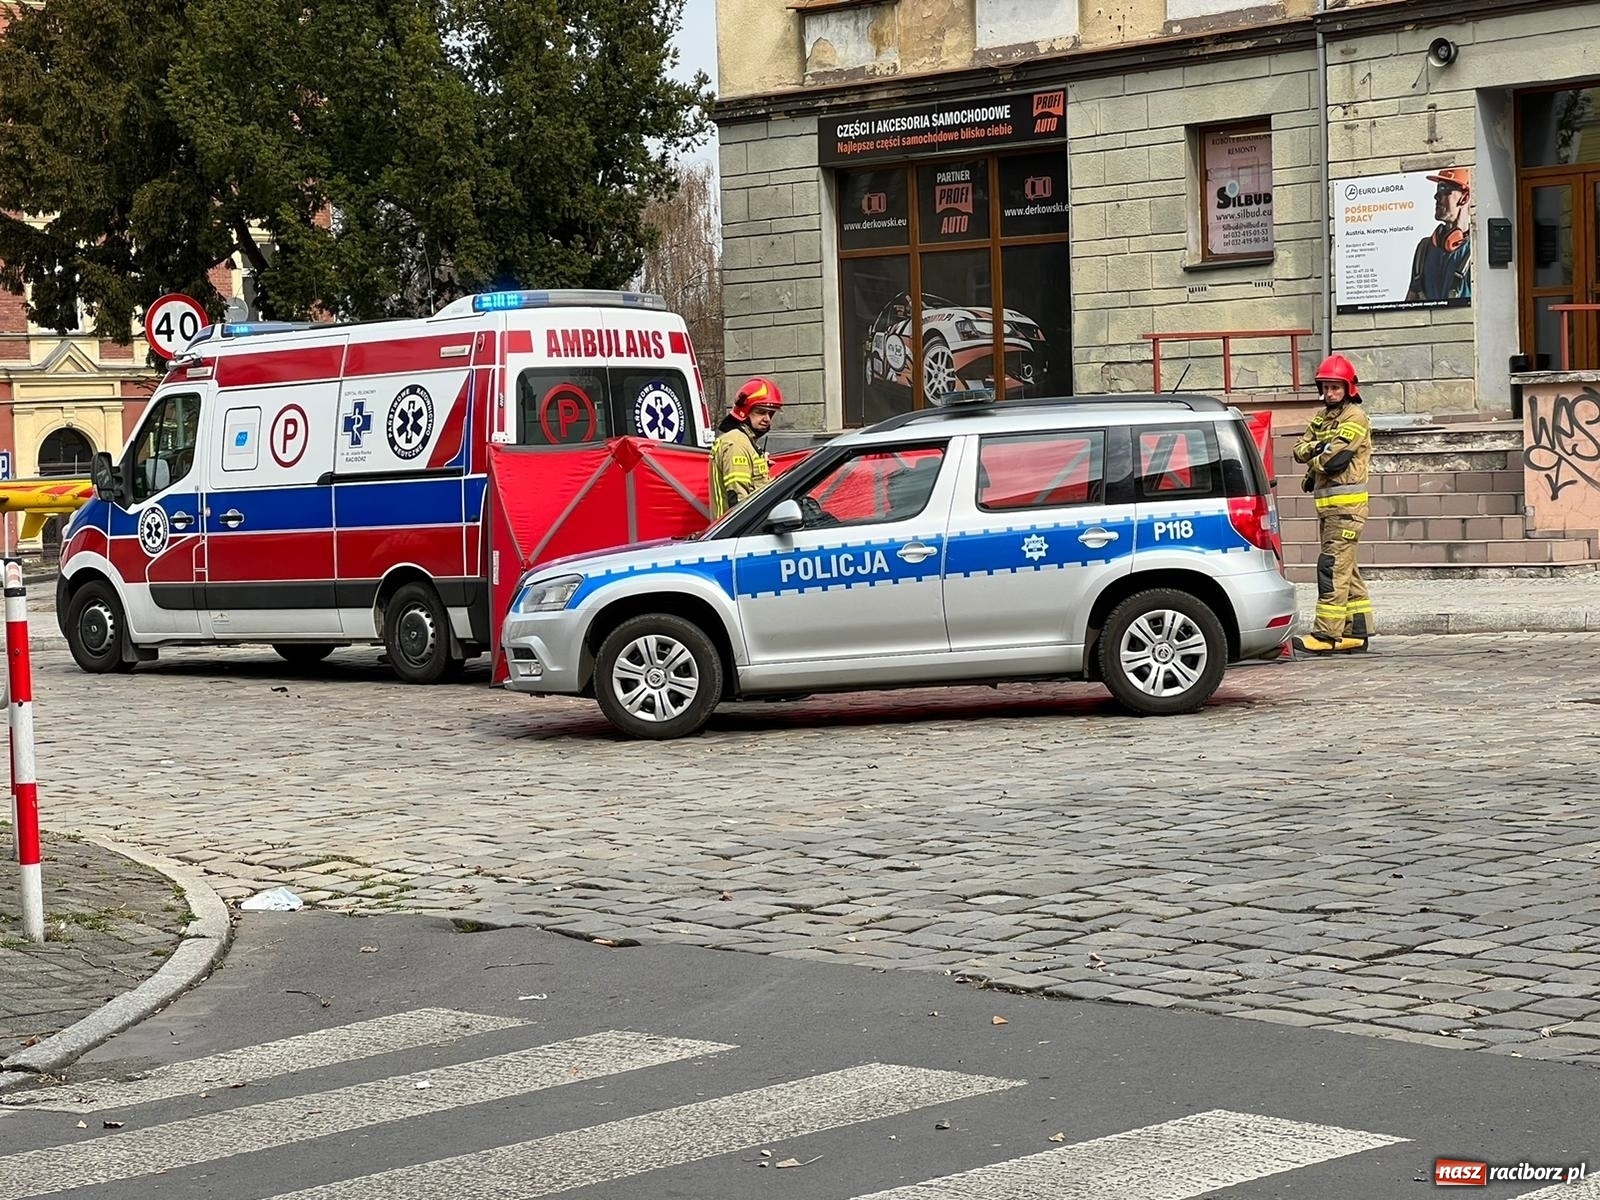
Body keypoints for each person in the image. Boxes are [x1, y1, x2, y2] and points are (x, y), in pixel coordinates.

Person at [1292, 354, 1375, 655]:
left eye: (1335, 388)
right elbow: (1298, 449)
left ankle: (1326, 636)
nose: (1329, 394)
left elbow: (1336, 458)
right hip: (1329, 509)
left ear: (1349, 389)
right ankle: (1357, 631)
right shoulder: (1321, 418)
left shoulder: (1355, 417)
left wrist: (1318, 455)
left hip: (1347, 510)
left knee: (1330, 568)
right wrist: (1319, 449)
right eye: (1325, 388)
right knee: (1345, 569)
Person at [710, 377, 783, 519]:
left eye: (771, 413)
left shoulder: (746, 442)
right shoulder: (736, 444)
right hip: (738, 536)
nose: (767, 418)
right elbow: (738, 500)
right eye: (761, 412)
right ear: (745, 411)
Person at [1405, 168, 1472, 303]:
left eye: (1445, 189)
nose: (1436, 196)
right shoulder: (1423, 250)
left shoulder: (1476, 249)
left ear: (1464, 198)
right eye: (1438, 190)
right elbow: (1410, 302)